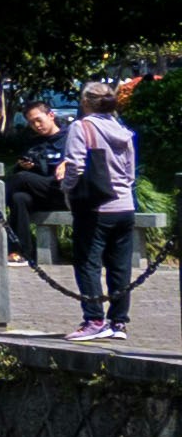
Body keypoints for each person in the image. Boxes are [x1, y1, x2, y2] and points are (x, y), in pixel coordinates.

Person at [66, 90, 143, 339]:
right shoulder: (123, 130)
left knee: (87, 264)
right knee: (120, 267)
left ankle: (94, 320)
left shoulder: (82, 127)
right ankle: (118, 322)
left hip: (96, 207)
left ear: (86, 103)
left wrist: (66, 187)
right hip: (125, 206)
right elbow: (131, 173)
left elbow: (75, 165)